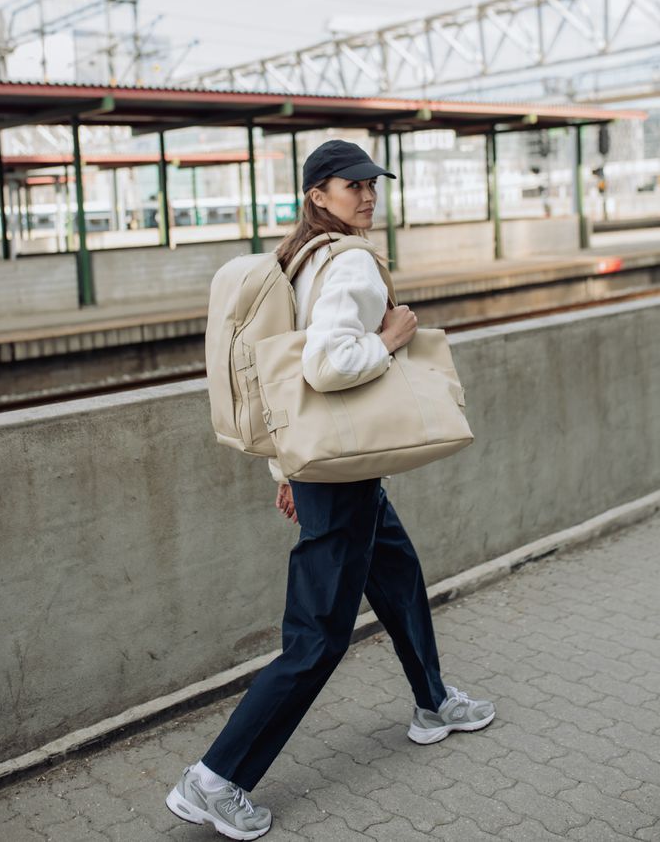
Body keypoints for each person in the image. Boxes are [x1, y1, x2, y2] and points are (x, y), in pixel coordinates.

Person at [166, 139, 495, 840]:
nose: (368, 196)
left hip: (331, 467)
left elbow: (279, 382)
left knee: (397, 574)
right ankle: (216, 778)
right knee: (317, 636)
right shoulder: (349, 261)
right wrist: (392, 337)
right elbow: (324, 365)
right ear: (319, 194)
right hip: (340, 474)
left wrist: (287, 469)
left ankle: (433, 702)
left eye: (373, 185)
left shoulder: (298, 258)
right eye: (353, 186)